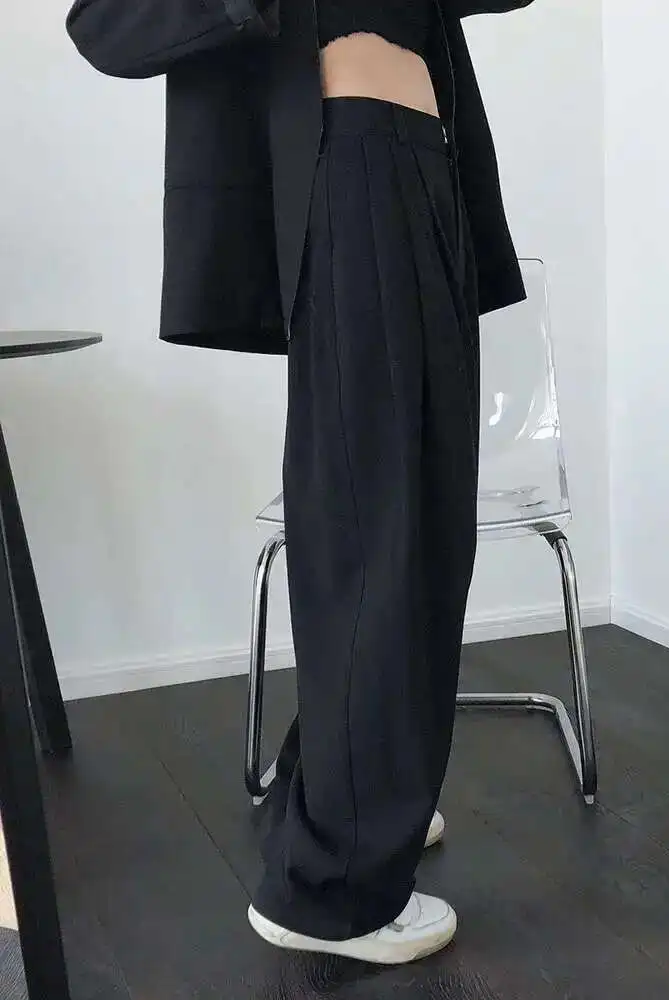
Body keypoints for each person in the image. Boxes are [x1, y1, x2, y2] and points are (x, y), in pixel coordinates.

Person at [66, 0, 534, 966]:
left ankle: (347, 797)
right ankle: (331, 890)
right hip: (353, 160)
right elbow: (103, 24)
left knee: (421, 523)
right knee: (379, 527)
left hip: (426, 161)